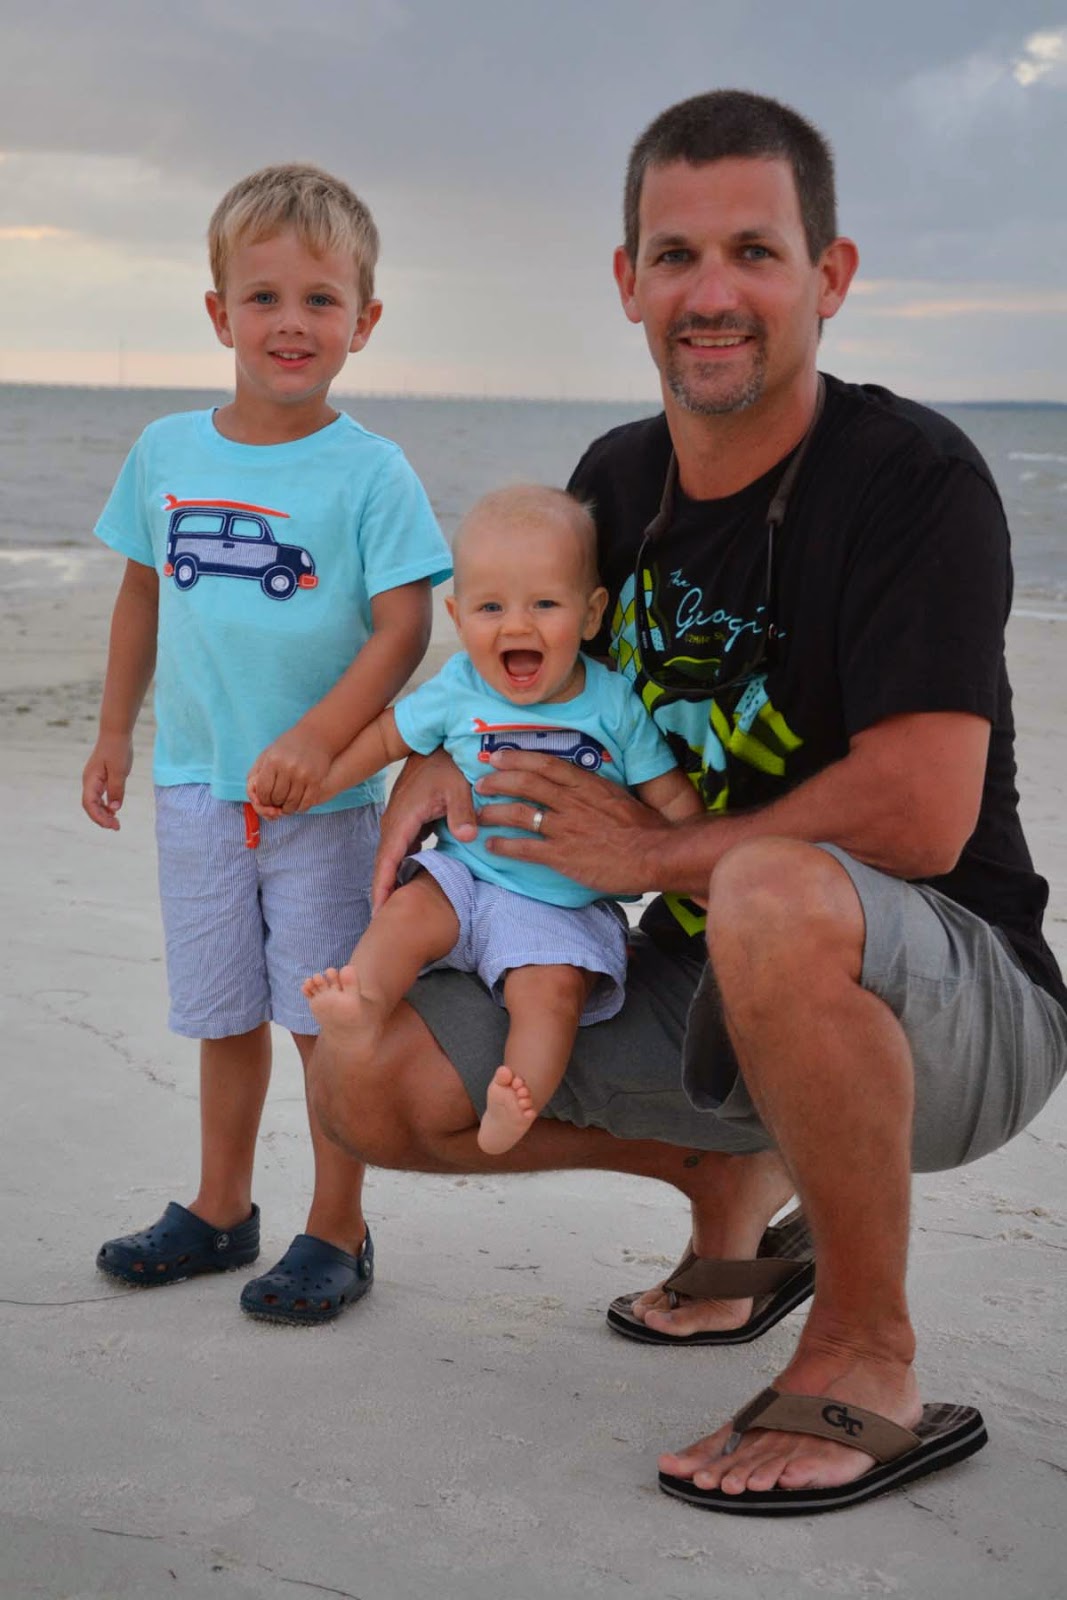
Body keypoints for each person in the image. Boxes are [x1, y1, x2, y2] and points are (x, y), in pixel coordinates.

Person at [309, 90, 1067, 1513]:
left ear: (828, 275)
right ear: (626, 282)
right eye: (674, 255)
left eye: (752, 252)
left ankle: (866, 1353)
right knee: (369, 1081)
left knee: (767, 883)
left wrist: (650, 849)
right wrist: (434, 759)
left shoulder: (912, 481)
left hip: (959, 999)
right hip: (712, 975)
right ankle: (729, 1187)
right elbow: (522, 672)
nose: (709, 294)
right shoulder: (615, 484)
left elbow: (920, 815)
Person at [82, 163, 450, 1325]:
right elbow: (142, 596)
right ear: (219, 313)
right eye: (264, 297)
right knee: (223, 1008)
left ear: (363, 321)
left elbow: (404, 627)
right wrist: (113, 731)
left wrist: (322, 740)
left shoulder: (371, 471)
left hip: (324, 806)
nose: (291, 323)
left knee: (319, 1017)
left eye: (320, 299)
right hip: (197, 788)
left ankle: (336, 1225)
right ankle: (219, 1207)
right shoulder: (165, 452)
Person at [252, 484, 699, 1154]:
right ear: (458, 618)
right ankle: (363, 1005)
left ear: (590, 614)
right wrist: (315, 785)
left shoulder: (614, 705)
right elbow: (385, 738)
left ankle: (515, 1101)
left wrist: (699, 868)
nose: (516, 627)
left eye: (544, 604)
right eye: (491, 608)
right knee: (407, 913)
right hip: (467, 878)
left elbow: (669, 796)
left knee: (550, 997)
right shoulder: (458, 688)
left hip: (561, 910)